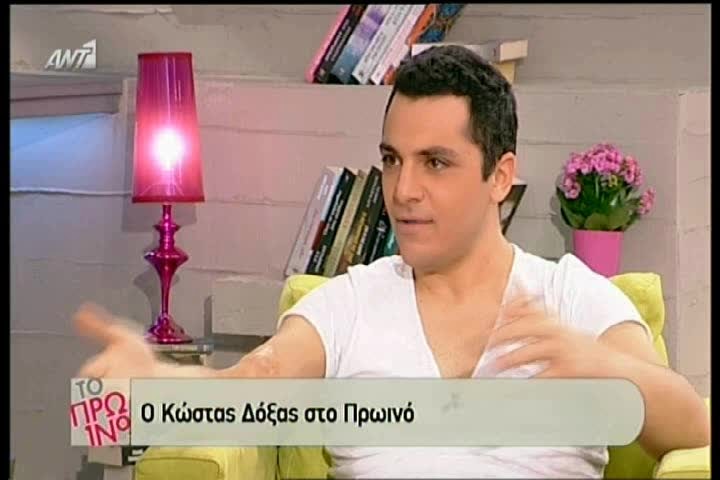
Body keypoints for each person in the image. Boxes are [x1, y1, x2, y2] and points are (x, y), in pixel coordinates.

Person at [76, 45, 709, 478]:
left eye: (435, 163)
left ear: (500, 175)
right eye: (392, 159)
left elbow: (693, 428)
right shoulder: (349, 303)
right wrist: (149, 386)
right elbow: (251, 385)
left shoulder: (573, 299)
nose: (403, 190)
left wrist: (602, 367)